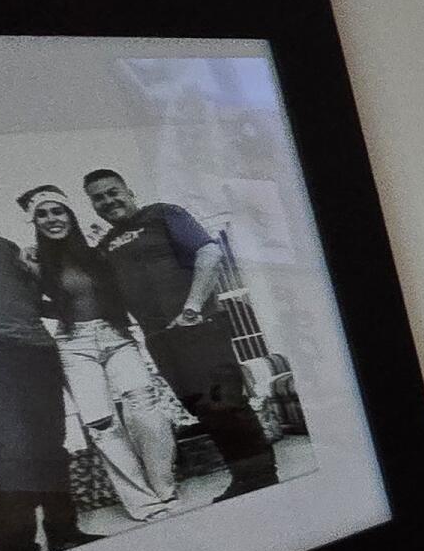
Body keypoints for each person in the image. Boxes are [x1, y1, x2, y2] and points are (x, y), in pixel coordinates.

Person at [83, 167, 279, 497]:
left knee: (225, 403)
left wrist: (191, 308)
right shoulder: (105, 245)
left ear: (129, 191)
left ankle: (263, 476)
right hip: (160, 339)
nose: (107, 200)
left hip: (199, 326)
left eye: (113, 191)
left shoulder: (163, 214)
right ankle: (244, 477)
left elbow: (209, 251)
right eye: (98, 198)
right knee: (201, 409)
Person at [23, 186, 178, 522]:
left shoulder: (96, 252)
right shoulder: (35, 261)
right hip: (73, 344)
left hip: (114, 335)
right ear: (35, 221)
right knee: (102, 424)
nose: (52, 219)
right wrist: (34, 275)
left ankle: (163, 488)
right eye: (43, 214)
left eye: (58, 211)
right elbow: (40, 308)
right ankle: (143, 503)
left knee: (145, 408)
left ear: (70, 215)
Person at [0, 156, 85, 551]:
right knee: (13, 451)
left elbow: (37, 302)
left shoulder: (5, 246)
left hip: (38, 349)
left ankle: (65, 533)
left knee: (51, 443)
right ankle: (16, 550)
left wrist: (38, 273)